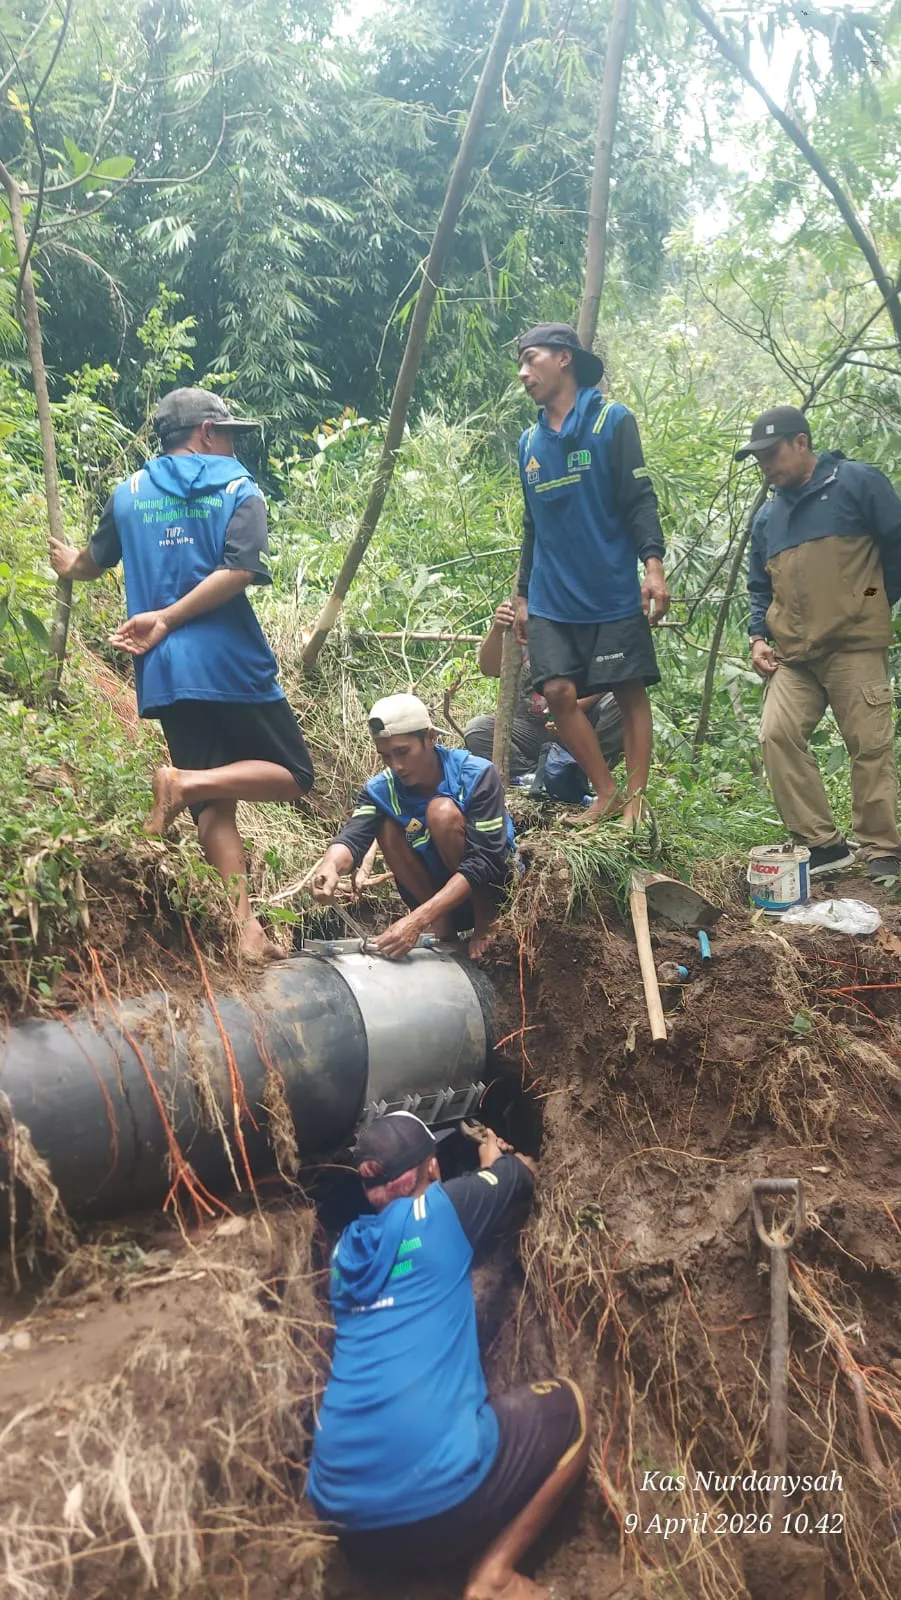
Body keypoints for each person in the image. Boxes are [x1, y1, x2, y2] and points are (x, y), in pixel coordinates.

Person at [48, 386, 314, 961]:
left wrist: (72, 565)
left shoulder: (129, 493)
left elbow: (93, 559)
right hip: (228, 661)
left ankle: (246, 932)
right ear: (205, 433)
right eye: (229, 435)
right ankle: (182, 783)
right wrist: (169, 618)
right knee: (293, 774)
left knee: (215, 802)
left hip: (165, 672)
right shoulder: (239, 489)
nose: (234, 448)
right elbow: (240, 570)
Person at [307, 1111, 590, 1600]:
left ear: (371, 1188)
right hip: (439, 1500)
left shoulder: (343, 1255)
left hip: (346, 1520)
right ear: (432, 1168)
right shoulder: (443, 1213)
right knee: (572, 1409)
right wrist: (493, 1158)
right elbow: (522, 1174)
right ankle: (495, 1578)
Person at [513, 323, 669, 825]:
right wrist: (522, 596)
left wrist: (653, 567)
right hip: (551, 596)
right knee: (556, 692)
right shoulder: (529, 443)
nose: (522, 373)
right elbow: (531, 525)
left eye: (531, 359)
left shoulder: (611, 422)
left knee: (627, 690)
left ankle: (636, 801)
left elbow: (639, 499)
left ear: (564, 359)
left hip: (609, 591)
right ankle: (604, 792)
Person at [742, 405, 901, 879]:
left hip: (854, 646)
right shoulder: (768, 517)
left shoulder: (855, 482)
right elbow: (758, 587)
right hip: (794, 655)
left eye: (771, 453)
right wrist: (756, 636)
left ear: (801, 443)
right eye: (758, 458)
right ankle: (824, 845)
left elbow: (897, 546)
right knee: (776, 734)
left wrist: (871, 599)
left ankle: (882, 849)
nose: (765, 465)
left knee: (868, 745)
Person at [311, 693, 515, 960]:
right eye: (385, 756)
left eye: (403, 752)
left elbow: (486, 859)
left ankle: (485, 918)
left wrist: (417, 920)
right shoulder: (381, 789)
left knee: (441, 813)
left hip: (491, 886)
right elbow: (353, 837)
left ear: (430, 738)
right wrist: (330, 866)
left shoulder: (477, 775)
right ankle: (443, 926)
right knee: (383, 824)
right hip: (437, 890)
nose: (396, 766)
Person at [463, 598, 624, 781]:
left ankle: (588, 774)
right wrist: (498, 628)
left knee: (619, 702)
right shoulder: (522, 622)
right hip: (531, 730)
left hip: (582, 724)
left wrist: (571, 710)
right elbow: (489, 668)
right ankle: (536, 776)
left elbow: (610, 676)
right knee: (477, 730)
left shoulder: (585, 615)